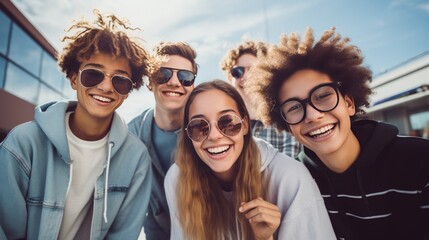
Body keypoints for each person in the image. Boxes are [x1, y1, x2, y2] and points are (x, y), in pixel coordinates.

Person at [246, 27, 429, 239]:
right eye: (294, 107)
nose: (313, 115)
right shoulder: (293, 182)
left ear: (349, 104)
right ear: (287, 126)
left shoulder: (420, 160)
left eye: (323, 96)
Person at [0, 10, 152, 239]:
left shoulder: (137, 159)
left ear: (128, 91)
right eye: (93, 74)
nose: (106, 87)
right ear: (73, 78)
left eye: (120, 80)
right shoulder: (22, 144)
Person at [164, 80, 335, 240]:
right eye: (199, 127)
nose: (215, 136)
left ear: (245, 125)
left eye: (227, 122)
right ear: (188, 134)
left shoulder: (290, 178)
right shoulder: (178, 180)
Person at [128, 41, 198, 239]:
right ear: (150, 81)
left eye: (185, 77)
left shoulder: (207, 131)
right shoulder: (131, 135)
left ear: (192, 86)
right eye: (164, 74)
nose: (175, 82)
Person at [220, 40, 301, 157]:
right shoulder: (221, 123)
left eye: (253, 69)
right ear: (229, 78)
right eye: (238, 72)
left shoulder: (284, 120)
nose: (246, 77)